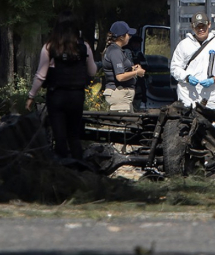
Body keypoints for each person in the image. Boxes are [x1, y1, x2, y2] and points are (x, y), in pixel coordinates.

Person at [25, 11, 97, 160]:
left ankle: (61, 167)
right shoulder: (84, 46)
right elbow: (92, 71)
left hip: (56, 95)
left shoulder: (50, 47)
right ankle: (78, 168)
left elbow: (41, 76)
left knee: (59, 136)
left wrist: (31, 96)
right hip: (77, 95)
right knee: (74, 135)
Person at [170, 12, 215, 112]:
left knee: (213, 124)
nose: (201, 29)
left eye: (203, 26)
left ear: (209, 24)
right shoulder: (183, 45)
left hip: (212, 94)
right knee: (188, 123)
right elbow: (175, 68)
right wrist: (186, 77)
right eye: (197, 27)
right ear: (192, 27)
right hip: (188, 94)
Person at [102, 21, 145, 112]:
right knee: (121, 125)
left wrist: (132, 69)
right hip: (119, 95)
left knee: (127, 124)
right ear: (121, 37)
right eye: (128, 34)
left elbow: (119, 69)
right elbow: (120, 77)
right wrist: (136, 72)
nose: (129, 37)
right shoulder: (115, 52)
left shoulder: (117, 50)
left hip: (123, 97)